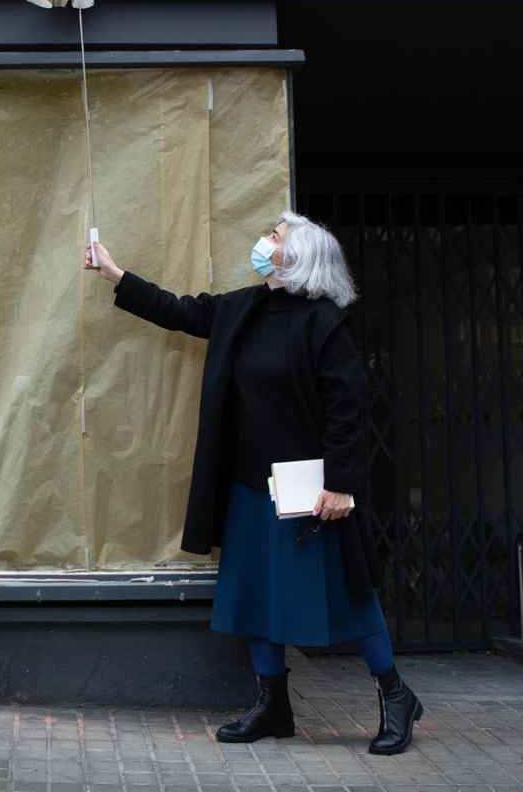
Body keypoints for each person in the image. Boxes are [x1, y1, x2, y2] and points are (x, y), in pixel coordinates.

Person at [85, 211, 422, 754]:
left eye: (276, 237)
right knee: (254, 596)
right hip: (247, 486)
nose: (265, 242)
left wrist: (340, 484)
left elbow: (349, 410)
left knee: (347, 594)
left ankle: (396, 695)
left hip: (307, 491)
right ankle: (274, 706)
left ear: (298, 259)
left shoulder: (324, 324)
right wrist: (116, 275)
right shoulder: (243, 308)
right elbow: (179, 310)